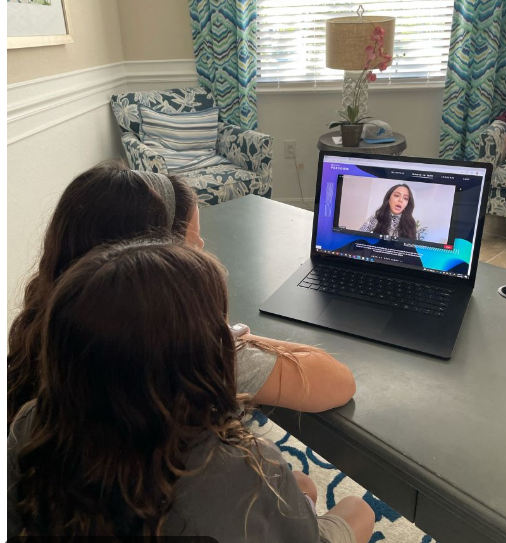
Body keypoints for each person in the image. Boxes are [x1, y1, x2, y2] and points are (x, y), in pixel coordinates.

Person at [7, 239, 374, 542]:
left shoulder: (28, 427)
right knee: (357, 510)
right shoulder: (245, 470)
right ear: (200, 358)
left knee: (302, 485)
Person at [8, 160, 356, 425]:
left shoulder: (38, 330)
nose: (204, 252)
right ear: (157, 264)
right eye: (194, 245)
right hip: (173, 509)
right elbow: (338, 383)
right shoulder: (185, 355)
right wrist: (228, 341)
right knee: (320, 494)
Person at [360, 183, 426, 240]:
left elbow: (414, 248)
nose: (400, 200)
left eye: (405, 198)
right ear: (389, 199)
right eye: (397, 195)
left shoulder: (410, 224)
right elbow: (358, 238)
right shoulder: (376, 218)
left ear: (407, 204)